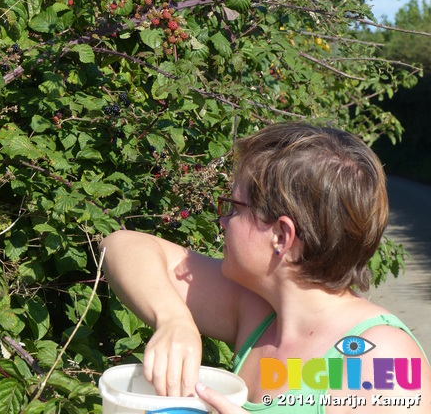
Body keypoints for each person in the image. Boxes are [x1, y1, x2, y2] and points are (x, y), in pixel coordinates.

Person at [99, 122, 431, 414]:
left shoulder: (379, 360)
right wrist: (173, 320)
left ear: (281, 236)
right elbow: (121, 246)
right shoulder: (259, 311)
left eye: (233, 207)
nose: (222, 220)